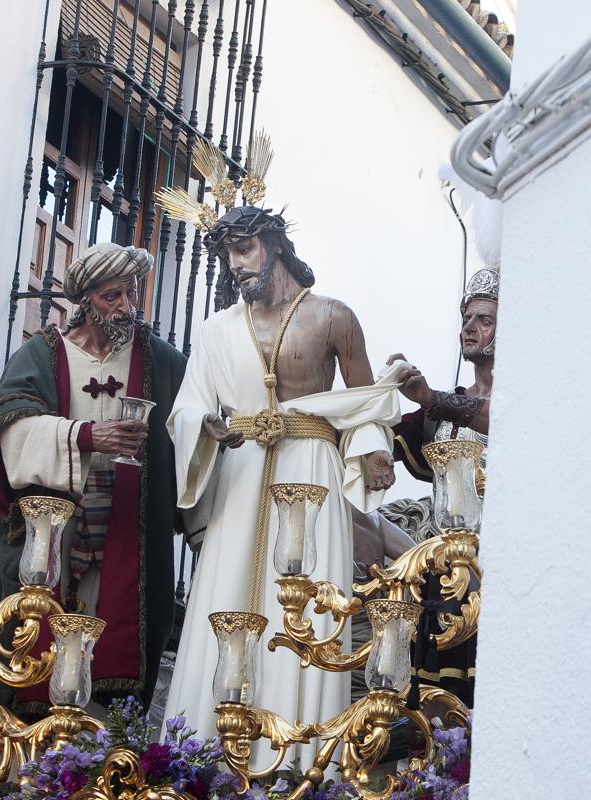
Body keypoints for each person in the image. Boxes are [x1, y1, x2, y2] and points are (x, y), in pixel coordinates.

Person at [166, 206, 403, 761]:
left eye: (244, 249)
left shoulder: (333, 317)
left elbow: (364, 406)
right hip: (242, 471)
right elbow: (186, 406)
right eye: (227, 255)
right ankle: (202, 755)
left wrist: (373, 454)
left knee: (307, 605)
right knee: (227, 595)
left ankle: (299, 759)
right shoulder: (217, 330)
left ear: (274, 244)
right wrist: (203, 425)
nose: (235, 266)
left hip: (312, 474)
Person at [0, 242, 187, 712]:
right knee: (31, 642)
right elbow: (12, 432)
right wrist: (87, 437)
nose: (125, 307)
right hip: (54, 534)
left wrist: (211, 427)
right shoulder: (42, 354)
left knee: (111, 647)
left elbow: (192, 423)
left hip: (128, 529)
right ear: (84, 300)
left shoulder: (161, 361)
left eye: (130, 294)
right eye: (112, 296)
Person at [388, 266, 499, 706]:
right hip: (442, 573)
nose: (469, 328)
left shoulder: (528, 394)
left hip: (498, 568)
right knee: (434, 699)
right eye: (467, 318)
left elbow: (496, 414)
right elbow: (388, 435)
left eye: (484, 320)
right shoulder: (437, 412)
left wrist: (432, 398)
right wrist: (370, 393)